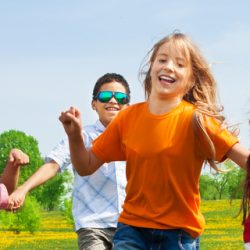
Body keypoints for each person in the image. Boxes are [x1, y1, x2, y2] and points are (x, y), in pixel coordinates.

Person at [59, 32, 250, 250]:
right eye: (162, 60)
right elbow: (86, 166)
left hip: (178, 234)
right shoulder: (127, 119)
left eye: (180, 64)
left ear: (191, 80)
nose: (169, 66)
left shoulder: (198, 121)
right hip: (132, 230)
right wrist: (74, 136)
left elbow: (244, 159)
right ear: (151, 68)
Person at [9, 73, 130, 250]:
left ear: (128, 105)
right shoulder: (80, 136)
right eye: (105, 96)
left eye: (120, 97)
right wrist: (22, 189)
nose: (113, 101)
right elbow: (53, 164)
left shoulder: (136, 137)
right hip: (93, 225)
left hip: (130, 225)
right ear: (94, 104)